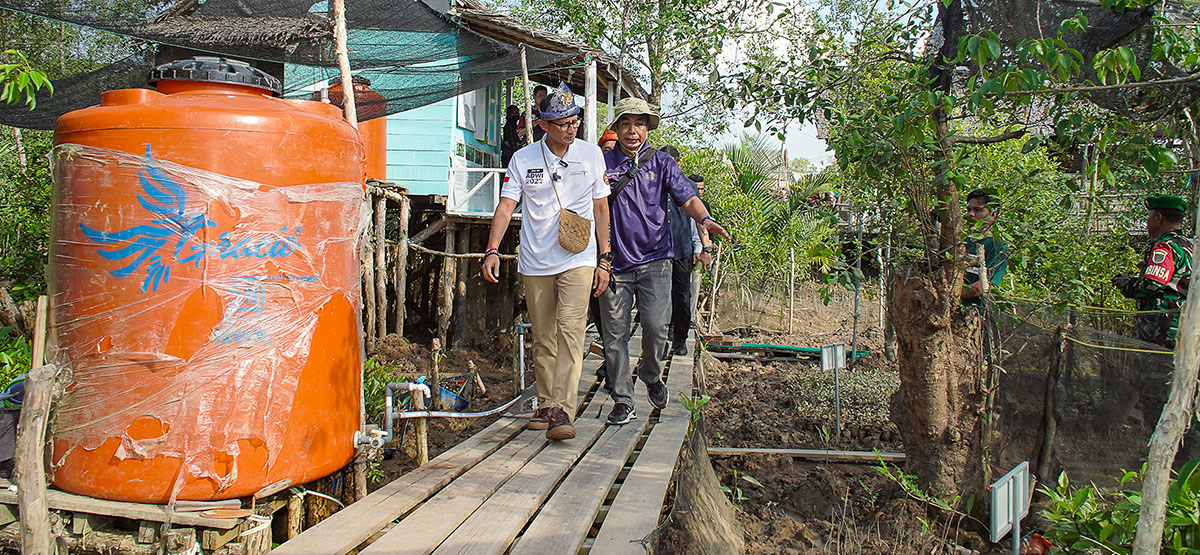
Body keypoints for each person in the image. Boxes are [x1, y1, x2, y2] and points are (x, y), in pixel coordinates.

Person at [482, 82, 611, 440]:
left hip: (579, 257)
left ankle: (562, 409)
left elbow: (602, 207)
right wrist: (492, 250)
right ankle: (544, 402)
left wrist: (605, 257)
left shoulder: (590, 155)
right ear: (542, 125)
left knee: (571, 330)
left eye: (575, 121)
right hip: (536, 259)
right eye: (563, 123)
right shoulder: (523, 159)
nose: (571, 128)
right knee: (543, 336)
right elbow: (506, 206)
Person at [599, 98, 729, 425]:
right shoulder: (601, 162)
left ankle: (651, 372)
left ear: (647, 128)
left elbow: (687, 197)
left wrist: (704, 219)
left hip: (656, 259)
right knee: (614, 336)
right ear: (616, 127)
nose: (632, 130)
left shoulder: (662, 163)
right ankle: (622, 399)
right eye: (626, 123)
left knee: (657, 327)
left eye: (639, 123)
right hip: (613, 263)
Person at [1113, 194, 1193, 348]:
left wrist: (1127, 284)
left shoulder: (1165, 247)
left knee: (1157, 371)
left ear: (1158, 217)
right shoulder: (1188, 245)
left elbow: (1152, 283)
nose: (1147, 222)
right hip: (1184, 324)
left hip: (1163, 330)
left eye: (1148, 216)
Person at [660, 146, 711, 356]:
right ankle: (660, 344)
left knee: (681, 296)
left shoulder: (689, 186)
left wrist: (704, 248)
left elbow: (698, 221)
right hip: (658, 252)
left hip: (681, 249)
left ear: (678, 164)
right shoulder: (653, 184)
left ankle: (680, 340)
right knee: (658, 299)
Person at [961, 189, 1007, 309]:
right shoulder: (961, 242)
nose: (971, 214)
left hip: (974, 315)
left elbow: (984, 285)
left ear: (993, 214)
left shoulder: (997, 246)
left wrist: (950, 294)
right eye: (969, 210)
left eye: (978, 210)